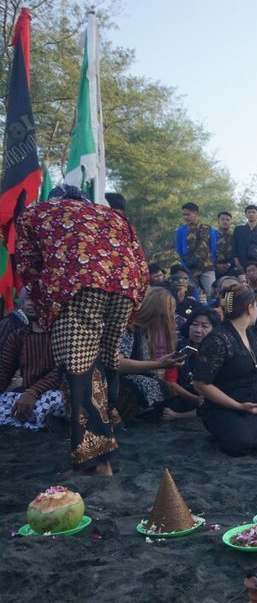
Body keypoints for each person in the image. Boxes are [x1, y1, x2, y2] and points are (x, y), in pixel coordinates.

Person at [16, 185, 148, 475]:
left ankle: (97, 459)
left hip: (75, 287)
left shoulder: (36, 212)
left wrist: (47, 306)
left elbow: (27, 266)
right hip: (124, 287)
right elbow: (141, 263)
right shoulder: (113, 215)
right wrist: (131, 303)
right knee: (107, 360)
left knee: (78, 370)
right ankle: (109, 420)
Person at [193, 285, 257, 455]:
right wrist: (239, 406)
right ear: (250, 308)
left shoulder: (250, 334)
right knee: (242, 442)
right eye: (255, 305)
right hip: (227, 405)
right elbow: (201, 383)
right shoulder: (218, 339)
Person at [117, 287, 191, 421]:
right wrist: (158, 364)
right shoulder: (129, 329)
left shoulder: (145, 331)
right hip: (120, 384)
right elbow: (118, 363)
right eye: (169, 313)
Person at [0, 295, 63, 431]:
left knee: (51, 400)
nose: (31, 303)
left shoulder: (63, 334)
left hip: (59, 394)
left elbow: (64, 369)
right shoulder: (18, 336)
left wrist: (33, 392)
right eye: (28, 298)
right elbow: (4, 371)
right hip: (25, 395)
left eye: (37, 296)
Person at [163, 308, 217, 420]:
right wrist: (193, 398)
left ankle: (178, 416)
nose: (198, 330)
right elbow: (170, 380)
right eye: (194, 324)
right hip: (185, 394)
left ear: (214, 329)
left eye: (204, 326)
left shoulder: (217, 351)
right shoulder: (180, 348)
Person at [174, 202, 218, 298]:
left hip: (207, 268)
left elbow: (213, 248)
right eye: (184, 215)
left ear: (196, 213)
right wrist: (186, 266)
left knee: (211, 294)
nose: (185, 217)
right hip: (189, 269)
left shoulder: (209, 229)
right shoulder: (181, 231)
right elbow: (179, 250)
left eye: (188, 214)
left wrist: (211, 262)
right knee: (192, 294)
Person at [232, 204, 257, 272]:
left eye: (253, 212)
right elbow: (234, 246)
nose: (251, 214)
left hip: (255, 264)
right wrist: (236, 262)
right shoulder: (238, 230)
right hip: (240, 264)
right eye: (249, 212)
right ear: (246, 215)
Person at [214, 211, 235, 277]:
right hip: (213, 267)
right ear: (218, 221)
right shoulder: (211, 235)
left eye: (227, 220)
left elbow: (237, 254)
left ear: (230, 222)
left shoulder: (234, 237)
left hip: (231, 267)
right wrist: (216, 265)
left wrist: (229, 264)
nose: (225, 222)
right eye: (222, 219)